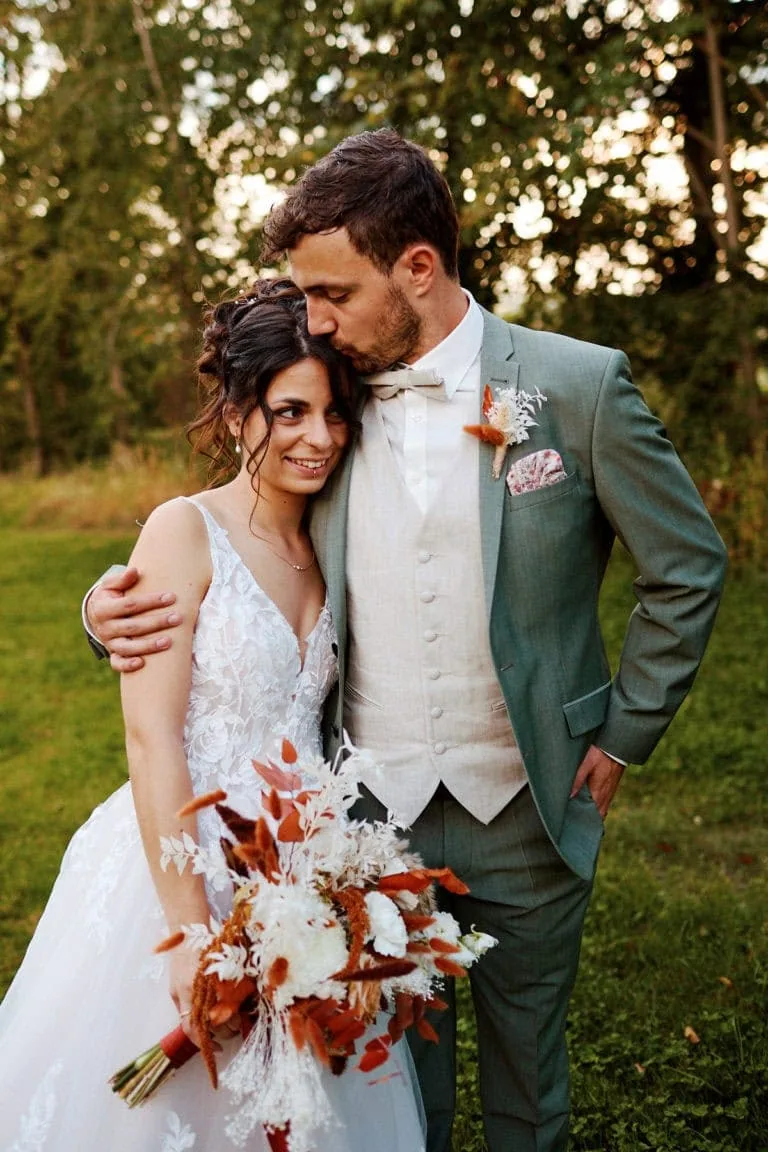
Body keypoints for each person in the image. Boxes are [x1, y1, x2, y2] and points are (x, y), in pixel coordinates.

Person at [84, 131, 728, 1152]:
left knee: (528, 1089)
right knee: (385, 1098)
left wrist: (623, 734)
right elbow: (241, 538)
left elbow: (689, 565)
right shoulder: (331, 401)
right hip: (363, 826)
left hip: (530, 807)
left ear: (417, 268)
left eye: (334, 290)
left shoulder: (577, 388)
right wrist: (105, 609)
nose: (316, 317)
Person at [0, 278, 426, 1152]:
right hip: (184, 855)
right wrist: (190, 932)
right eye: (291, 411)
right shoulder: (182, 532)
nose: (320, 438)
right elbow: (151, 736)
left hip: (310, 867)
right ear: (236, 413)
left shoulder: (338, 536)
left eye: (335, 414)